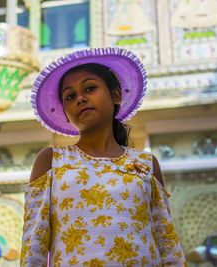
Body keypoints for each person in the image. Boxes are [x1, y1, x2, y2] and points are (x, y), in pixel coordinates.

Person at [20, 47, 187, 266]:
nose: (80, 98)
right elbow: (34, 246)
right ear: (66, 113)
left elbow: (167, 243)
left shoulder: (146, 165)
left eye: (89, 88)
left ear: (116, 94)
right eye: (70, 96)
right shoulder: (51, 160)